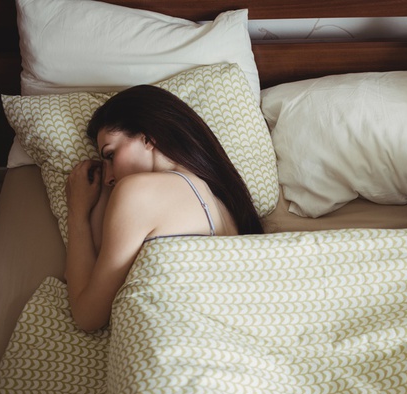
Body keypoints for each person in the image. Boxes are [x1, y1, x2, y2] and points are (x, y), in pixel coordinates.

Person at [65, 85, 263, 332]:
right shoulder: (222, 200)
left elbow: (88, 316)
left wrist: (76, 212)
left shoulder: (137, 193)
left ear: (148, 138)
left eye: (111, 154)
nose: (108, 178)